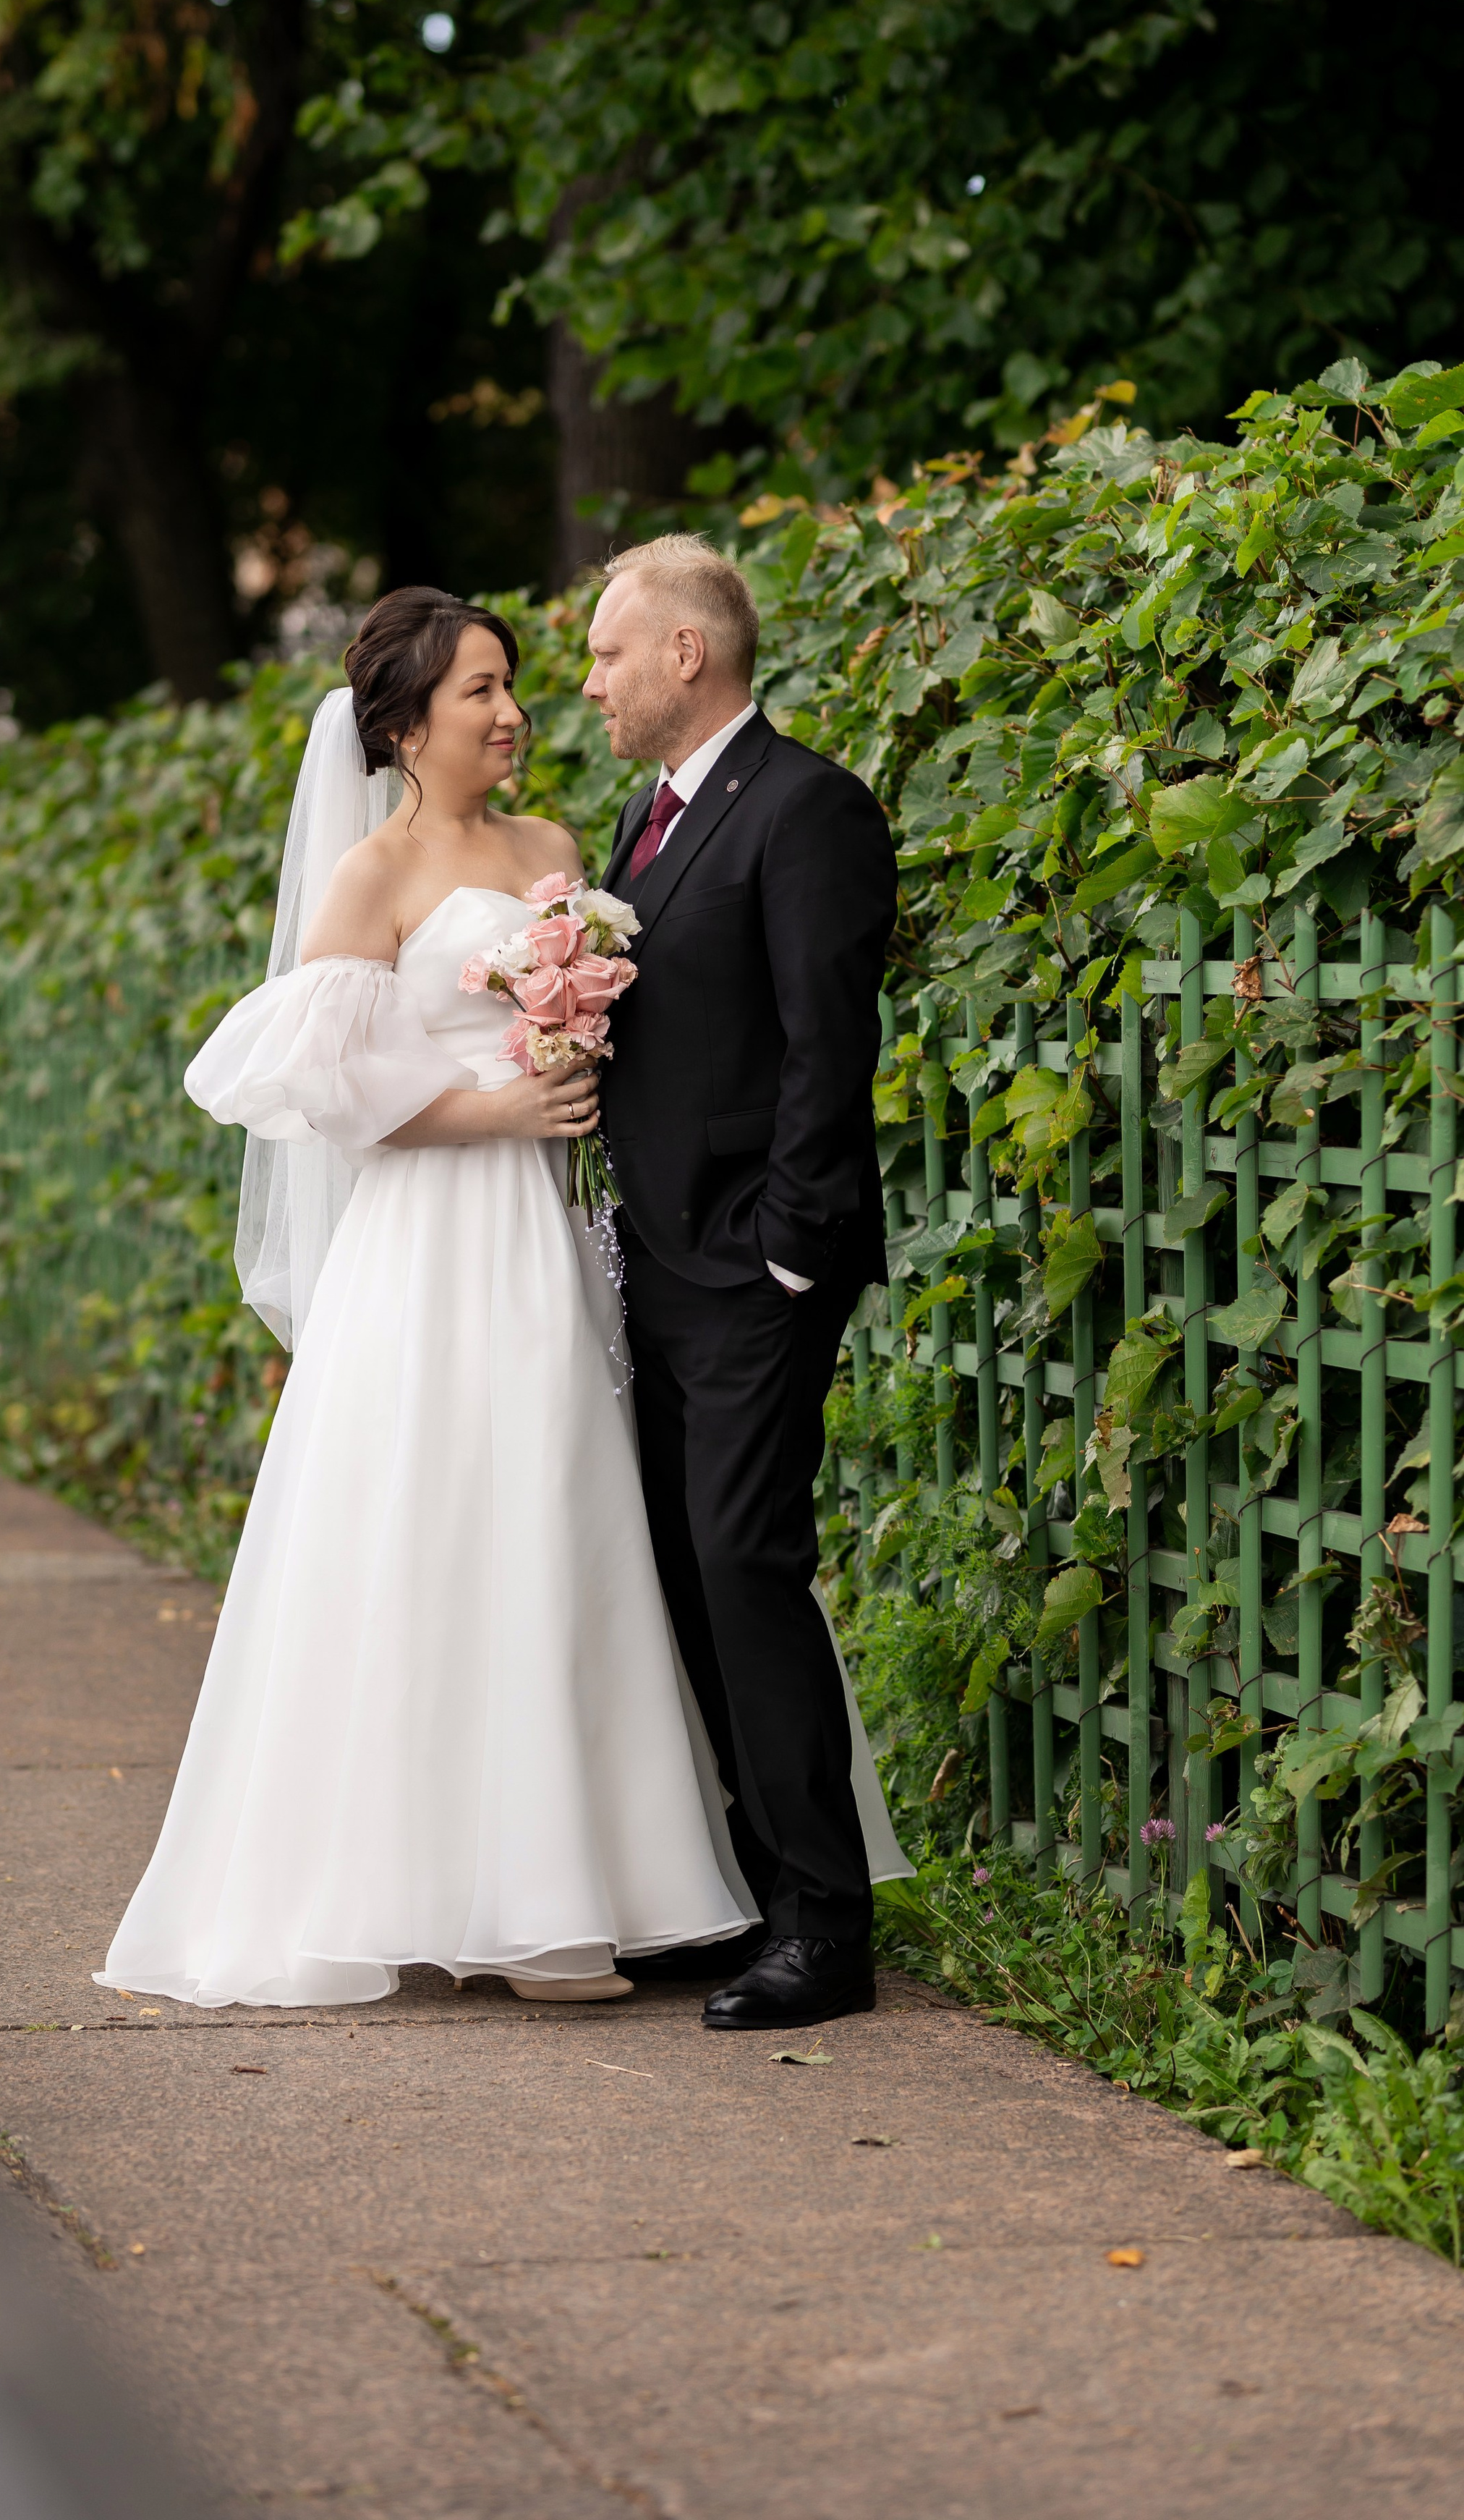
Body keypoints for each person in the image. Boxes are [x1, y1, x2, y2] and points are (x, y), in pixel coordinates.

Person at [94, 586, 759, 2008]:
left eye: (512, 683)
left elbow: (595, 1033)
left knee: (553, 1508)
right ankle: (410, 1883)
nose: (512, 710)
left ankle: (565, 1892)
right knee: (424, 1523)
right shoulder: (371, 879)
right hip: (423, 1244)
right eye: (479, 690)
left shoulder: (553, 853)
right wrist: (502, 1108)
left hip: (544, 1234)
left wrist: (575, 1062)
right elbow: (329, 1094)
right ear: (401, 725)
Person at [587, 535, 901, 2032]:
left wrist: (786, 1246)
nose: (586, 683)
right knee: (672, 1570)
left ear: (684, 656)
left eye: (602, 654)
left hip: (753, 1271)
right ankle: (738, 1892)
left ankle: (823, 1927)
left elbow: (824, 1047)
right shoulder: (638, 825)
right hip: (650, 1268)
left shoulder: (807, 808)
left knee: (741, 1566)